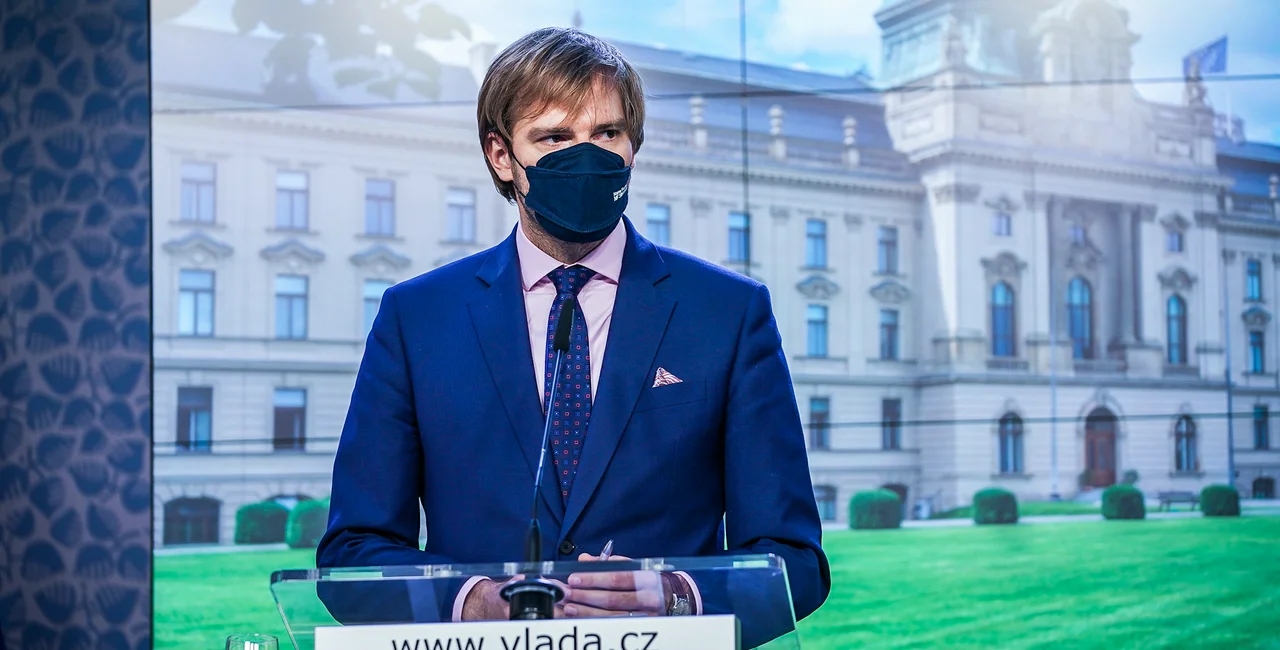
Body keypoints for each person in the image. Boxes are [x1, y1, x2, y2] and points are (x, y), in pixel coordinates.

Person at [316, 26, 829, 633]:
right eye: (554, 137)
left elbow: (793, 561)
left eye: (606, 133)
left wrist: (676, 595)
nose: (584, 157)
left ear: (633, 145)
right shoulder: (417, 318)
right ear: (502, 155)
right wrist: (470, 601)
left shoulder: (728, 312)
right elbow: (353, 553)